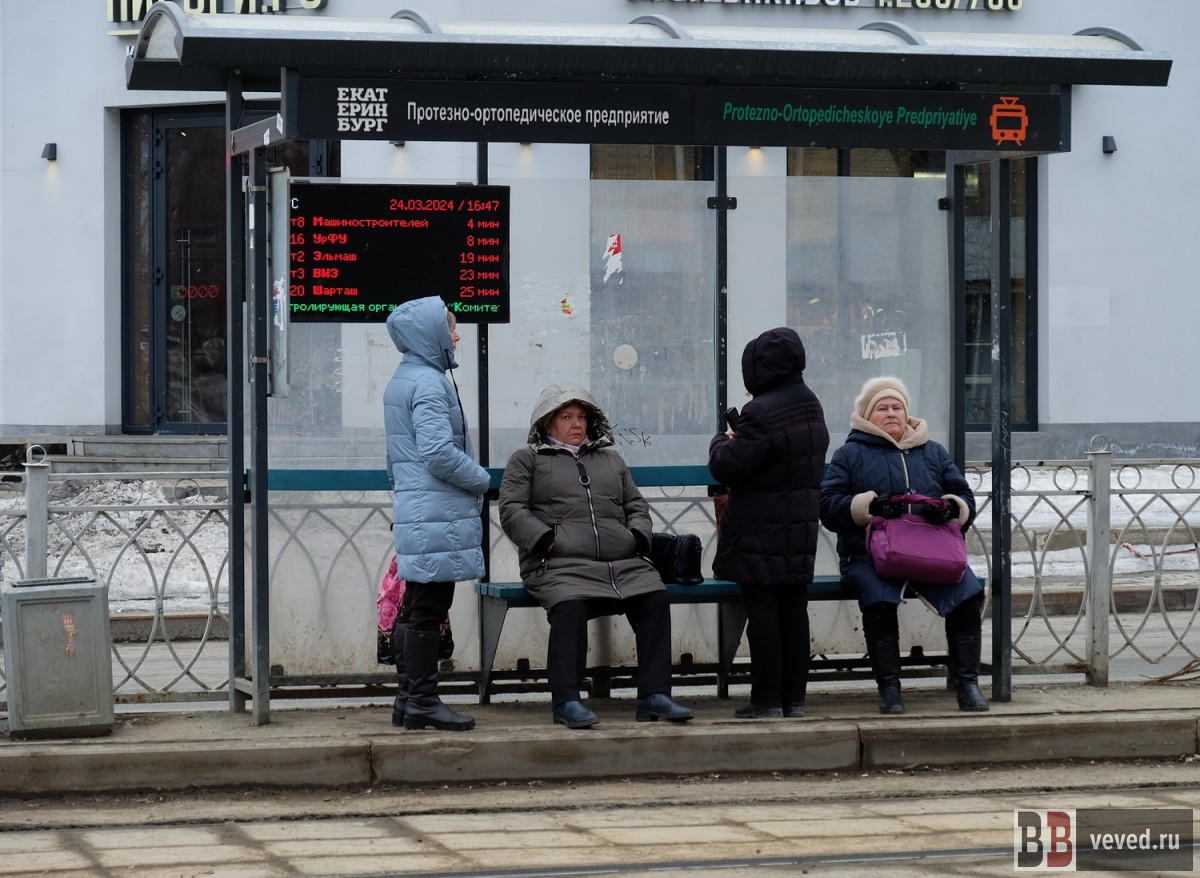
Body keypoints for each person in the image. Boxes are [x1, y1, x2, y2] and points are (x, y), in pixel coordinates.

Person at [498, 382, 694, 729]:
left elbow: (636, 505)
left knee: (654, 596)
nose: (577, 424)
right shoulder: (526, 460)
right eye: (566, 417)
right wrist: (548, 542)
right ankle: (567, 701)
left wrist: (636, 536)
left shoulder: (610, 459)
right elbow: (512, 510)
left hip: (623, 563)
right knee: (570, 605)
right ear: (547, 422)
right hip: (558, 565)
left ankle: (654, 695)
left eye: (582, 416)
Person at [819, 376, 989, 714]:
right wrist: (868, 507)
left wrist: (949, 507)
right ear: (868, 415)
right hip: (868, 555)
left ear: (906, 412)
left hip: (930, 553)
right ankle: (890, 689)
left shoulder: (932, 451)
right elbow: (828, 506)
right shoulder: (849, 454)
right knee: (879, 601)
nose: (891, 413)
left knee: (968, 594)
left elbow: (964, 496)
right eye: (882, 408)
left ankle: (968, 684)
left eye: (897, 407)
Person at [707, 327, 829, 720]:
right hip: (799, 530)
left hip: (761, 530)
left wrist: (723, 440)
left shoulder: (760, 411)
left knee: (763, 617)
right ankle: (794, 699)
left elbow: (727, 466)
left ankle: (766, 700)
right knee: (793, 613)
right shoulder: (810, 403)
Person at [384, 296, 490, 732]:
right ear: (431, 333)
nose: (457, 336)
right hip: (436, 510)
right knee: (429, 606)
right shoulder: (429, 383)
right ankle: (423, 702)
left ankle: (408, 701)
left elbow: (397, 458)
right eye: (451, 328)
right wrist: (482, 479)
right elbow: (438, 453)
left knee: (415, 604)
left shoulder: (403, 379)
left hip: (419, 507)